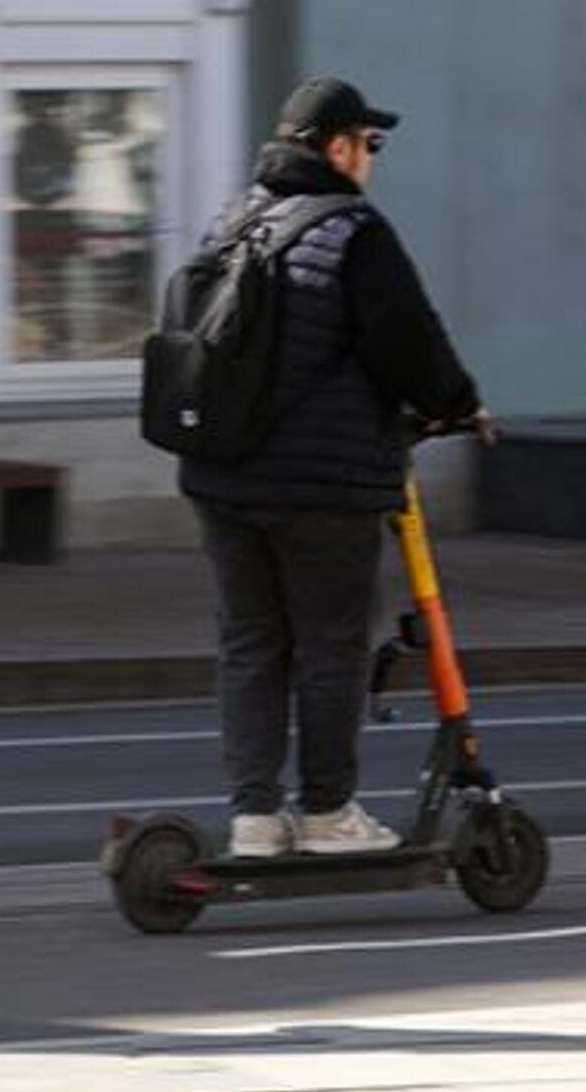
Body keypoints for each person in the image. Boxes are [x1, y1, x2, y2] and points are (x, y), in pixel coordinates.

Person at [179, 76, 490, 859]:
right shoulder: (355, 231)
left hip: (221, 478)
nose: (372, 160)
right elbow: (410, 341)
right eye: (369, 144)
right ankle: (326, 814)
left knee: (251, 643)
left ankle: (254, 818)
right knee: (331, 643)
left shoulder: (231, 222)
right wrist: (458, 404)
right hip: (324, 487)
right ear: (337, 147)